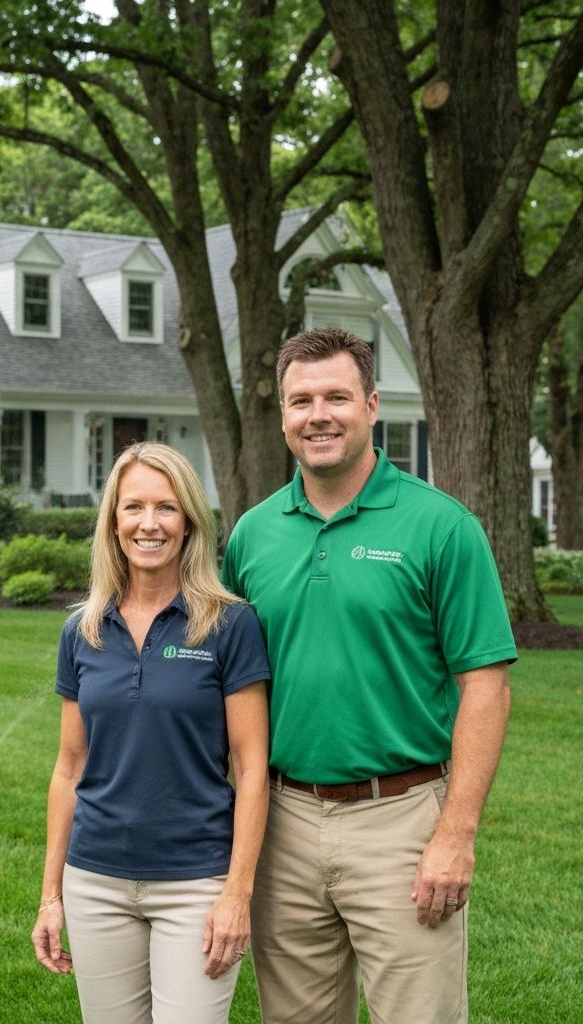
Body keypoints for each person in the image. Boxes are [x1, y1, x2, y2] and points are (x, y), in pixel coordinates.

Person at [220, 326, 517, 1024]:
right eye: (301, 401)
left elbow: (487, 685)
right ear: (283, 416)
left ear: (372, 405)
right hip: (282, 822)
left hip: (403, 819)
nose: (317, 415)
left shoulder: (441, 527)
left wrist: (455, 834)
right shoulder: (252, 537)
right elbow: (230, 689)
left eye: (336, 397)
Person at [31, 442, 270, 1024]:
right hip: (96, 881)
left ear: (188, 522)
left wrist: (237, 894)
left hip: (195, 883)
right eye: (133, 507)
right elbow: (69, 768)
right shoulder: (82, 630)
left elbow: (252, 768)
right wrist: (51, 896)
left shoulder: (228, 623)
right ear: (113, 522)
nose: (149, 524)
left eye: (166, 508)